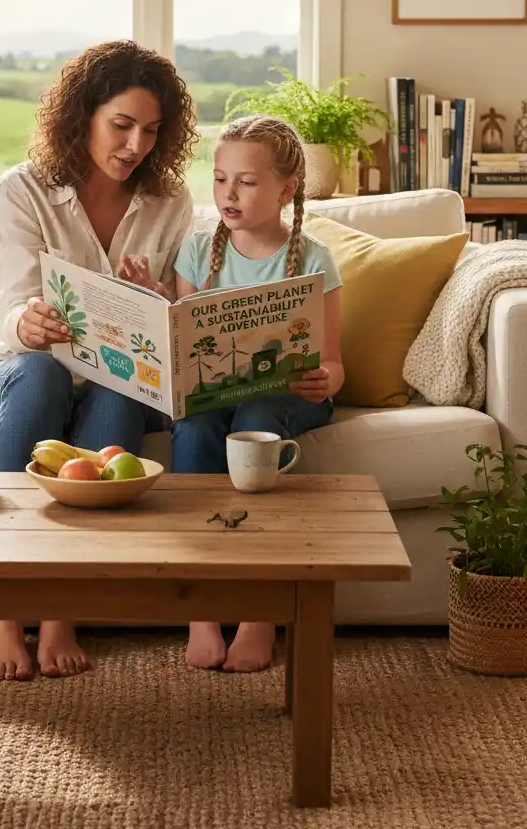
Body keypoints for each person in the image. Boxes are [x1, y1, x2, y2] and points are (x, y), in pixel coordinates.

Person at [0, 40, 197, 681]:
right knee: (43, 372)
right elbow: (10, 306)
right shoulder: (23, 190)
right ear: (83, 116)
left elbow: (171, 322)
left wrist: (161, 301)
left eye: (151, 131)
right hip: (7, 376)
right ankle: (0, 610)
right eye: (122, 125)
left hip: (110, 379)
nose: (135, 145)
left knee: (121, 388)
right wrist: (28, 323)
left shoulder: (170, 202)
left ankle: (60, 609)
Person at [170, 115, 345, 673]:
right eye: (221, 179)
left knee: (257, 418)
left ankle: (258, 614)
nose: (229, 193)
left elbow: (334, 364)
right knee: (194, 427)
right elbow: (183, 347)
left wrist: (326, 378)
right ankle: (201, 609)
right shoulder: (198, 252)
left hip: (289, 396)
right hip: (215, 395)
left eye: (246, 182)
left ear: (286, 190)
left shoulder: (314, 260)